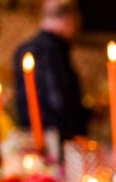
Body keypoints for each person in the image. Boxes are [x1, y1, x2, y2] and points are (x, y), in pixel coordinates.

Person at [12, 0, 89, 142]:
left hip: (30, 138)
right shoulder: (53, 50)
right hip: (57, 142)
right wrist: (88, 113)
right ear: (69, 19)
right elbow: (61, 104)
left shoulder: (23, 49)